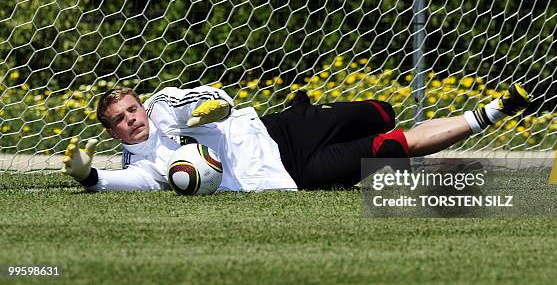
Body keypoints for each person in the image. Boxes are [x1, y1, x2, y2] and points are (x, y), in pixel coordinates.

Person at [61, 83, 530, 192]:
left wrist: (215, 108)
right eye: (120, 120)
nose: (132, 121)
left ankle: (303, 107)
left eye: (132, 110)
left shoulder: (165, 105)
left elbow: (211, 97)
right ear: (111, 130)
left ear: (141, 105)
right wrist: (89, 176)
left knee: (378, 113)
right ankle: (491, 111)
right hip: (291, 173)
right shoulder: (142, 166)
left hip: (279, 130)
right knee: (393, 146)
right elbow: (117, 183)